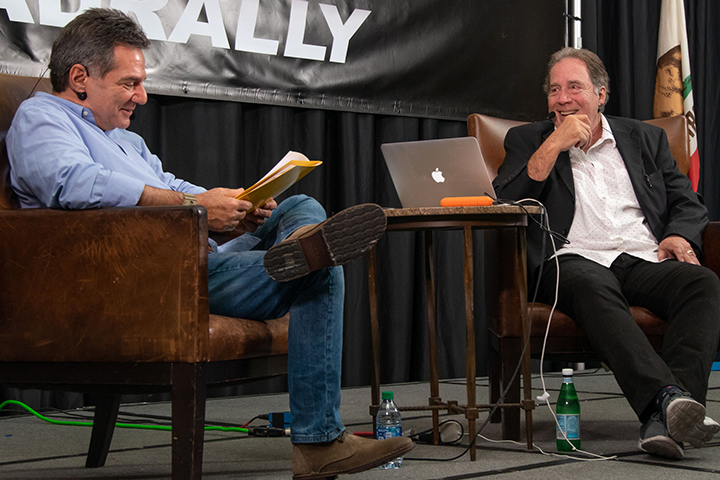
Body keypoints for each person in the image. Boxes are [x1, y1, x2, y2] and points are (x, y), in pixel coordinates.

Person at [6, 8, 413, 479]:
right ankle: (318, 442)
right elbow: (72, 183)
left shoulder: (124, 140)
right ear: (80, 77)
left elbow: (169, 183)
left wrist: (235, 209)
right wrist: (195, 207)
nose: (141, 95)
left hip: (195, 254)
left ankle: (293, 245)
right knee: (319, 268)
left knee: (296, 205)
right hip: (149, 280)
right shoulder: (41, 118)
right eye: (129, 82)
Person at [493, 47, 720, 459]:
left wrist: (678, 235)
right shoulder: (527, 139)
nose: (562, 98)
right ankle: (666, 403)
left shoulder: (645, 138)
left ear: (601, 94)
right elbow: (507, 203)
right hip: (570, 258)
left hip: (640, 255)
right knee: (592, 284)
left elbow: (687, 201)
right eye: (555, 90)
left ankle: (671, 413)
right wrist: (554, 146)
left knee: (701, 283)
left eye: (574, 87)